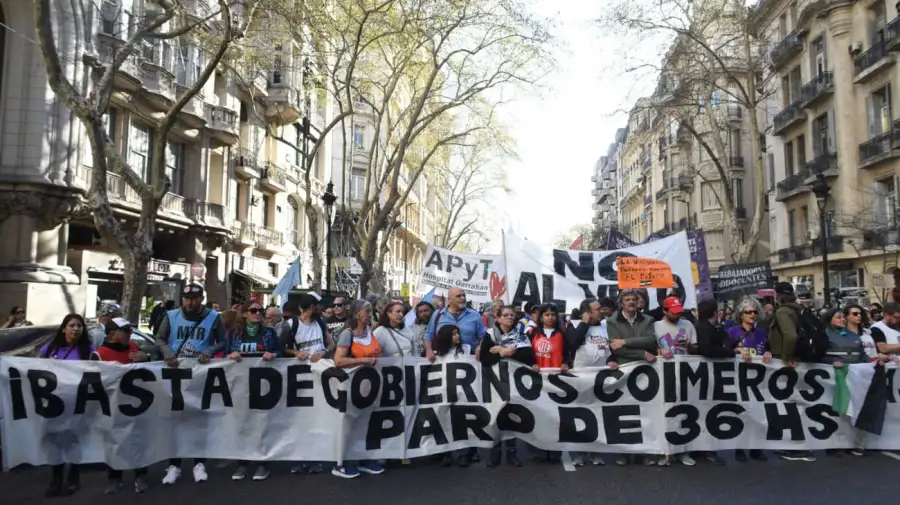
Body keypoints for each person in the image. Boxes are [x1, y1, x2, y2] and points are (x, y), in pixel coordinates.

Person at [154, 284, 226, 485]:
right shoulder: (171, 316)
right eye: (186, 298)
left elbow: (222, 341)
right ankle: (174, 465)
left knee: (198, 419)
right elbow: (159, 338)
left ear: (201, 298)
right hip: (176, 372)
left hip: (199, 373)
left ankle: (199, 463)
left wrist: (209, 352)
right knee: (175, 419)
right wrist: (167, 354)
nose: (189, 302)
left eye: (194, 298)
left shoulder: (214, 317)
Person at [95, 317, 151, 494]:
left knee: (137, 440)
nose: (130, 334)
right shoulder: (99, 354)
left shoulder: (134, 347)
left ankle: (140, 475)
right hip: (112, 406)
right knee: (114, 442)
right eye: (125, 331)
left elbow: (150, 371)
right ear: (112, 334)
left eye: (130, 330)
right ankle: (114, 477)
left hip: (135, 405)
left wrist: (146, 357)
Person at [41, 313, 93, 497]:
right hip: (54, 403)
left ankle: (73, 477)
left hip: (78, 403)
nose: (76, 329)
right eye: (72, 325)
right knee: (55, 441)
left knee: (74, 439)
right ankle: (56, 479)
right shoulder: (49, 349)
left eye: (79, 326)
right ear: (64, 328)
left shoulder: (89, 351)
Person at [332, 299, 385, 478]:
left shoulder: (370, 332)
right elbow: (338, 361)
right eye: (367, 311)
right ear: (356, 315)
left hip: (369, 389)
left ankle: (362, 459)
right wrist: (363, 361)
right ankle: (341, 463)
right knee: (348, 423)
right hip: (350, 387)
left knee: (365, 424)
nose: (370, 315)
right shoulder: (347, 334)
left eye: (370, 311)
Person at [227, 302, 279, 481]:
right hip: (241, 386)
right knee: (242, 423)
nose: (258, 314)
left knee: (261, 423)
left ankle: (262, 463)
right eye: (254, 311)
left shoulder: (269, 332)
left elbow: (278, 350)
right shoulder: (235, 333)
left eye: (260, 311)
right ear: (245, 314)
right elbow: (226, 352)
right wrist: (231, 355)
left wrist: (273, 355)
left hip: (264, 385)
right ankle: (242, 463)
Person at [605, 289, 658, 466]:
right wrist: (642, 353)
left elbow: (651, 341)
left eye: (634, 299)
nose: (631, 302)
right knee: (624, 412)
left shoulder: (648, 320)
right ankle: (624, 452)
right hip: (624, 371)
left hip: (645, 372)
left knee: (645, 412)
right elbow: (616, 348)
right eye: (627, 299)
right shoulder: (612, 321)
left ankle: (645, 451)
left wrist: (626, 341)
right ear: (622, 303)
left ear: (638, 302)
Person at [478, 305, 534, 468]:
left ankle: (511, 452)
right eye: (506, 315)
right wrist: (502, 353)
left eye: (512, 315)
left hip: (513, 382)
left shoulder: (520, 335)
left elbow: (528, 356)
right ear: (498, 318)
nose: (510, 317)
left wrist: (506, 351)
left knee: (512, 416)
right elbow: (485, 358)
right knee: (495, 416)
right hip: (494, 382)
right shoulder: (489, 335)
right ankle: (495, 452)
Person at [768, 282, 817, 462]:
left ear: (778, 295)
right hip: (801, 361)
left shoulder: (783, 311)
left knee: (789, 404)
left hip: (788, 363)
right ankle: (800, 445)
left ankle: (797, 447)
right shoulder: (799, 309)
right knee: (797, 403)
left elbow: (790, 335)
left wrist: (786, 356)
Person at [567, 298, 614, 467]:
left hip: (601, 377)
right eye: (596, 309)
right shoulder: (573, 324)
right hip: (581, 377)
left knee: (599, 415)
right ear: (585, 312)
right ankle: (579, 452)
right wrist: (584, 324)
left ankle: (596, 452)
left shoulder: (606, 325)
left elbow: (612, 348)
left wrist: (613, 360)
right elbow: (573, 343)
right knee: (581, 414)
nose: (600, 311)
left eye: (600, 309)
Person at [653, 296, 697, 467]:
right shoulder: (656, 326)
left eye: (679, 312)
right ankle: (664, 451)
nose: (677, 316)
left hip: (685, 374)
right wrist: (660, 350)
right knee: (663, 413)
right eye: (673, 312)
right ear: (664, 311)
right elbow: (650, 348)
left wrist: (690, 346)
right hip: (663, 375)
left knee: (684, 412)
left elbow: (696, 348)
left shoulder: (688, 325)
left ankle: (683, 451)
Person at [726, 298, 771, 462]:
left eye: (754, 312)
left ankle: (756, 449)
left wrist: (768, 353)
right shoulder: (731, 332)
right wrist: (736, 350)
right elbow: (724, 349)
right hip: (738, 378)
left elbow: (767, 349)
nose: (752, 315)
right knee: (741, 414)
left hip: (758, 381)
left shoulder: (761, 333)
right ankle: (739, 448)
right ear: (740, 315)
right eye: (748, 312)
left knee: (758, 414)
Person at [424, 287, 486, 361]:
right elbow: (428, 335)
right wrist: (428, 350)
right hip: (443, 360)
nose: (463, 298)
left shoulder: (475, 315)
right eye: (458, 296)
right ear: (449, 299)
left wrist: (480, 347)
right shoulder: (438, 314)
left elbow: (483, 336)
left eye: (464, 295)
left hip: (469, 360)